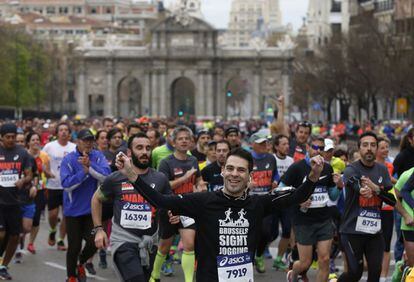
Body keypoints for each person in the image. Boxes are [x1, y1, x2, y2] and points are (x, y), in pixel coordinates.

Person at [115, 146, 325, 282]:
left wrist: (314, 176)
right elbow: (160, 200)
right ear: (223, 171)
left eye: (241, 170)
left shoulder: (258, 204)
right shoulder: (203, 202)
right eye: (230, 169)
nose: (234, 174)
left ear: (249, 176)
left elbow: (296, 196)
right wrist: (132, 175)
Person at [92, 133, 172, 282]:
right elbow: (96, 199)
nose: (144, 152)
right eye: (139, 148)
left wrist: (173, 214)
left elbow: (169, 204)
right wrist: (99, 229)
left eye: (148, 148)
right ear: (129, 152)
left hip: (149, 243)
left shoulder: (160, 179)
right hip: (123, 241)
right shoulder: (116, 178)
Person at [338, 132, 395, 282]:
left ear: (376, 149)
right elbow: (354, 182)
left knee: (375, 271)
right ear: (359, 149)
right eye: (365, 145)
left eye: (372, 145)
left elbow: (389, 195)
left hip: (374, 231)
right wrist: (362, 190)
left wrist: (378, 190)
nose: (369, 148)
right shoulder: (351, 169)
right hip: (352, 231)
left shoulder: (382, 170)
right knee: (355, 273)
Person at [151, 126, 206, 282]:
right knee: (164, 247)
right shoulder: (165, 162)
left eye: (186, 139)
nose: (184, 141)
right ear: (173, 143)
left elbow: (197, 179)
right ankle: (154, 274)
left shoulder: (193, 160)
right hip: (169, 208)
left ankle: (189, 280)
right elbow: (164, 186)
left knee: (189, 244)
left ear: (190, 142)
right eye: (180, 139)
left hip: (188, 207)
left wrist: (201, 185)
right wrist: (185, 177)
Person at [284, 135, 340, 282]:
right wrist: (298, 202)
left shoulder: (327, 168)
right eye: (314, 147)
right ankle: (293, 273)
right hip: (303, 221)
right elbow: (282, 191)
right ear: (307, 148)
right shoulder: (297, 168)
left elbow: (333, 196)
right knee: (305, 263)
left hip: (323, 219)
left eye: (321, 148)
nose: (318, 151)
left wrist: (338, 187)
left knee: (325, 259)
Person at [60, 129, 111, 282]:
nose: (88, 143)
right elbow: (66, 185)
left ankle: (80, 263)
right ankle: (71, 276)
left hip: (92, 210)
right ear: (78, 141)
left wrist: (90, 167)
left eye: (90, 140)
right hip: (73, 210)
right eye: (85, 140)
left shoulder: (98, 156)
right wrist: (83, 172)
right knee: (74, 246)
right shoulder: (68, 159)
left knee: (95, 242)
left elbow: (107, 176)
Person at [0, 123, 33, 280]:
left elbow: (29, 174)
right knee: (1, 234)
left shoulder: (22, 153)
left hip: (15, 201)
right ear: (1, 137)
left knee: (14, 236)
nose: (11, 140)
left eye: (13, 137)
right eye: (8, 137)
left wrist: (23, 180)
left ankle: (3, 266)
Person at [248, 132, 279, 273]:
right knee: (250, 233)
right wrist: (248, 183)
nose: (264, 145)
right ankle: (248, 261)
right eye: (260, 143)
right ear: (252, 144)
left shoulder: (271, 158)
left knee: (266, 232)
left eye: (265, 143)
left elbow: (276, 174)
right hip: (250, 201)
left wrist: (275, 181)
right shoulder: (247, 159)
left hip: (266, 200)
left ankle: (259, 255)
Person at [42, 122, 76, 251]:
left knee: (67, 214)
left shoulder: (74, 147)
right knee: (53, 214)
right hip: (53, 185)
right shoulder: (49, 147)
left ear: (69, 133)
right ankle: (52, 229)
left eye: (66, 130)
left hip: (68, 186)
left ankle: (61, 239)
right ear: (57, 133)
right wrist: (46, 171)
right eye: (61, 130)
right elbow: (42, 161)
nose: (63, 132)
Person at [26, 132, 52, 254]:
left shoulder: (44, 156)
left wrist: (50, 174)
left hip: (40, 189)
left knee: (36, 219)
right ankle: (20, 240)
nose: (36, 142)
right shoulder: (23, 155)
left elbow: (48, 173)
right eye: (33, 140)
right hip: (25, 190)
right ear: (28, 142)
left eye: (37, 139)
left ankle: (30, 243)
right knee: (25, 218)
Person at [271, 134, 294, 271]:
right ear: (276, 146)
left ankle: (279, 259)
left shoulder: (291, 161)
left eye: (287, 144)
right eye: (283, 144)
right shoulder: (272, 159)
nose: (287, 146)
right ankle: (259, 253)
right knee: (271, 233)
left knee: (286, 230)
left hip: (286, 200)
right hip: (273, 200)